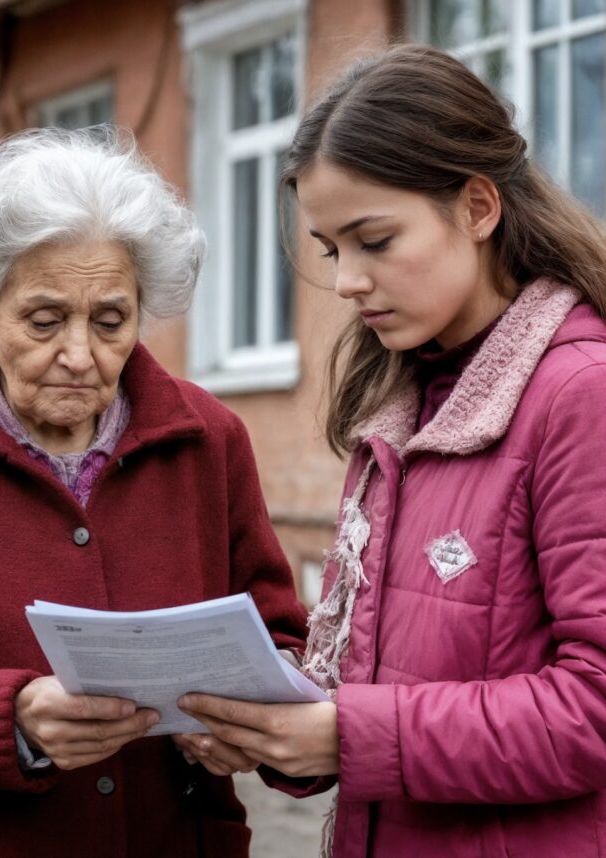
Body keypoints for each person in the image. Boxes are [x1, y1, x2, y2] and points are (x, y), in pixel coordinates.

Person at [175, 44, 606, 858]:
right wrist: (275, 730)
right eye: (334, 249)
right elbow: (368, 682)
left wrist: (346, 736)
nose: (345, 282)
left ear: (478, 208)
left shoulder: (580, 395)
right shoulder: (397, 408)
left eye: (374, 239)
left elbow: (595, 706)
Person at [0, 127, 307, 858]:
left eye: (112, 321)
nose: (82, 355)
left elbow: (282, 638)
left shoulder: (208, 438)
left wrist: (255, 725)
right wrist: (11, 719)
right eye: (45, 319)